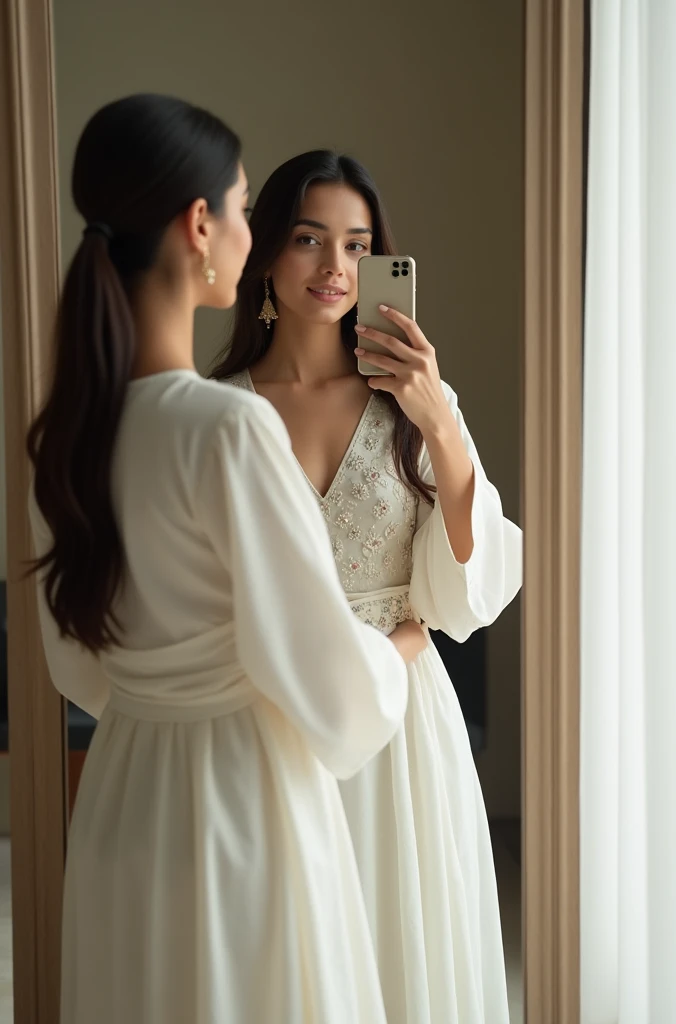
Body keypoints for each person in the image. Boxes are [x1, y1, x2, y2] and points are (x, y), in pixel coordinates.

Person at [28, 99, 421, 1024]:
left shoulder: (72, 433)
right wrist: (399, 646)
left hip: (125, 796)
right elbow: (328, 682)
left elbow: (76, 664)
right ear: (200, 227)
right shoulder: (229, 426)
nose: (249, 236)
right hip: (243, 805)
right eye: (246, 209)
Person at [214, 150, 523, 1024]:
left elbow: (467, 594)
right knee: (278, 961)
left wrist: (441, 423)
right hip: (269, 715)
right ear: (266, 251)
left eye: (358, 245)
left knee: (399, 955)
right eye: (310, 239)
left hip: (398, 727)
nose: (335, 267)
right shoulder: (220, 409)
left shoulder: (414, 404)